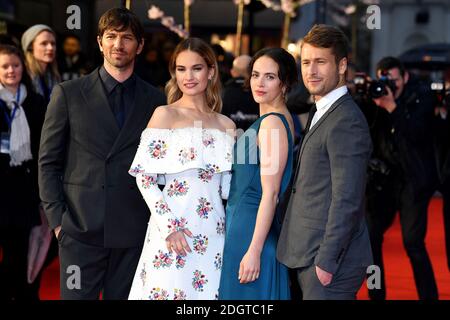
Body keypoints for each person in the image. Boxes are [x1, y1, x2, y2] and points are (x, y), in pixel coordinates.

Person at [38, 8, 166, 300]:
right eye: (111, 36)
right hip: (80, 229)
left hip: (133, 230)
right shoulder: (68, 93)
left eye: (127, 37)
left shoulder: (156, 100)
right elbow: (48, 162)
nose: (118, 44)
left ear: (140, 45)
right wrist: (58, 222)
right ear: (99, 42)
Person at [127, 37, 235, 300]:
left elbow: (229, 189)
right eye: (181, 68)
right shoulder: (164, 114)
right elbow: (145, 178)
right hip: (173, 226)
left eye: (196, 68)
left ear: (211, 71)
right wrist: (169, 226)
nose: (189, 76)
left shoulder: (228, 125)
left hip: (213, 230)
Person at [277, 24, 373, 300]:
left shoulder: (347, 120)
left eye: (320, 62)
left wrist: (326, 262)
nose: (311, 71)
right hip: (306, 252)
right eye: (306, 62)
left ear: (341, 65)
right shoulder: (322, 109)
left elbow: (348, 199)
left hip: (329, 263)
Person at [219, 47, 297, 300]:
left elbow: (271, 194)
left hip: (250, 231)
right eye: (255, 74)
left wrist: (254, 250)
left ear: (285, 84)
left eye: (270, 77)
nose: (259, 83)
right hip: (248, 226)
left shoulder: (272, 123)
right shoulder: (274, 119)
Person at [365, 57, 439, 300]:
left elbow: (416, 134)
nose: (389, 85)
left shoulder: (421, 97)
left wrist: (391, 106)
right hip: (385, 180)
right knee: (371, 237)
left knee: (413, 243)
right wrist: (368, 98)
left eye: (393, 80)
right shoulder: (375, 99)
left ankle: (429, 296)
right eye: (384, 79)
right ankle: (377, 296)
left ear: (405, 78)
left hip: (413, 180)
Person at [0, 44, 46, 300]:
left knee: (19, 251)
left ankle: (21, 294)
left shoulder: (35, 101)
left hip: (24, 190)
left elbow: (43, 146)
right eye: (4, 66)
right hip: (1, 187)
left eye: (15, 65)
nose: (11, 71)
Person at [21, 24, 60, 103]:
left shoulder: (55, 75)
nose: (50, 48)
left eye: (53, 43)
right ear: (30, 47)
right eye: (44, 43)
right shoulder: (22, 75)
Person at [221, 55, 259, 132]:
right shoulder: (261, 92)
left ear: (232, 72)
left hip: (230, 140)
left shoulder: (222, 93)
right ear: (252, 72)